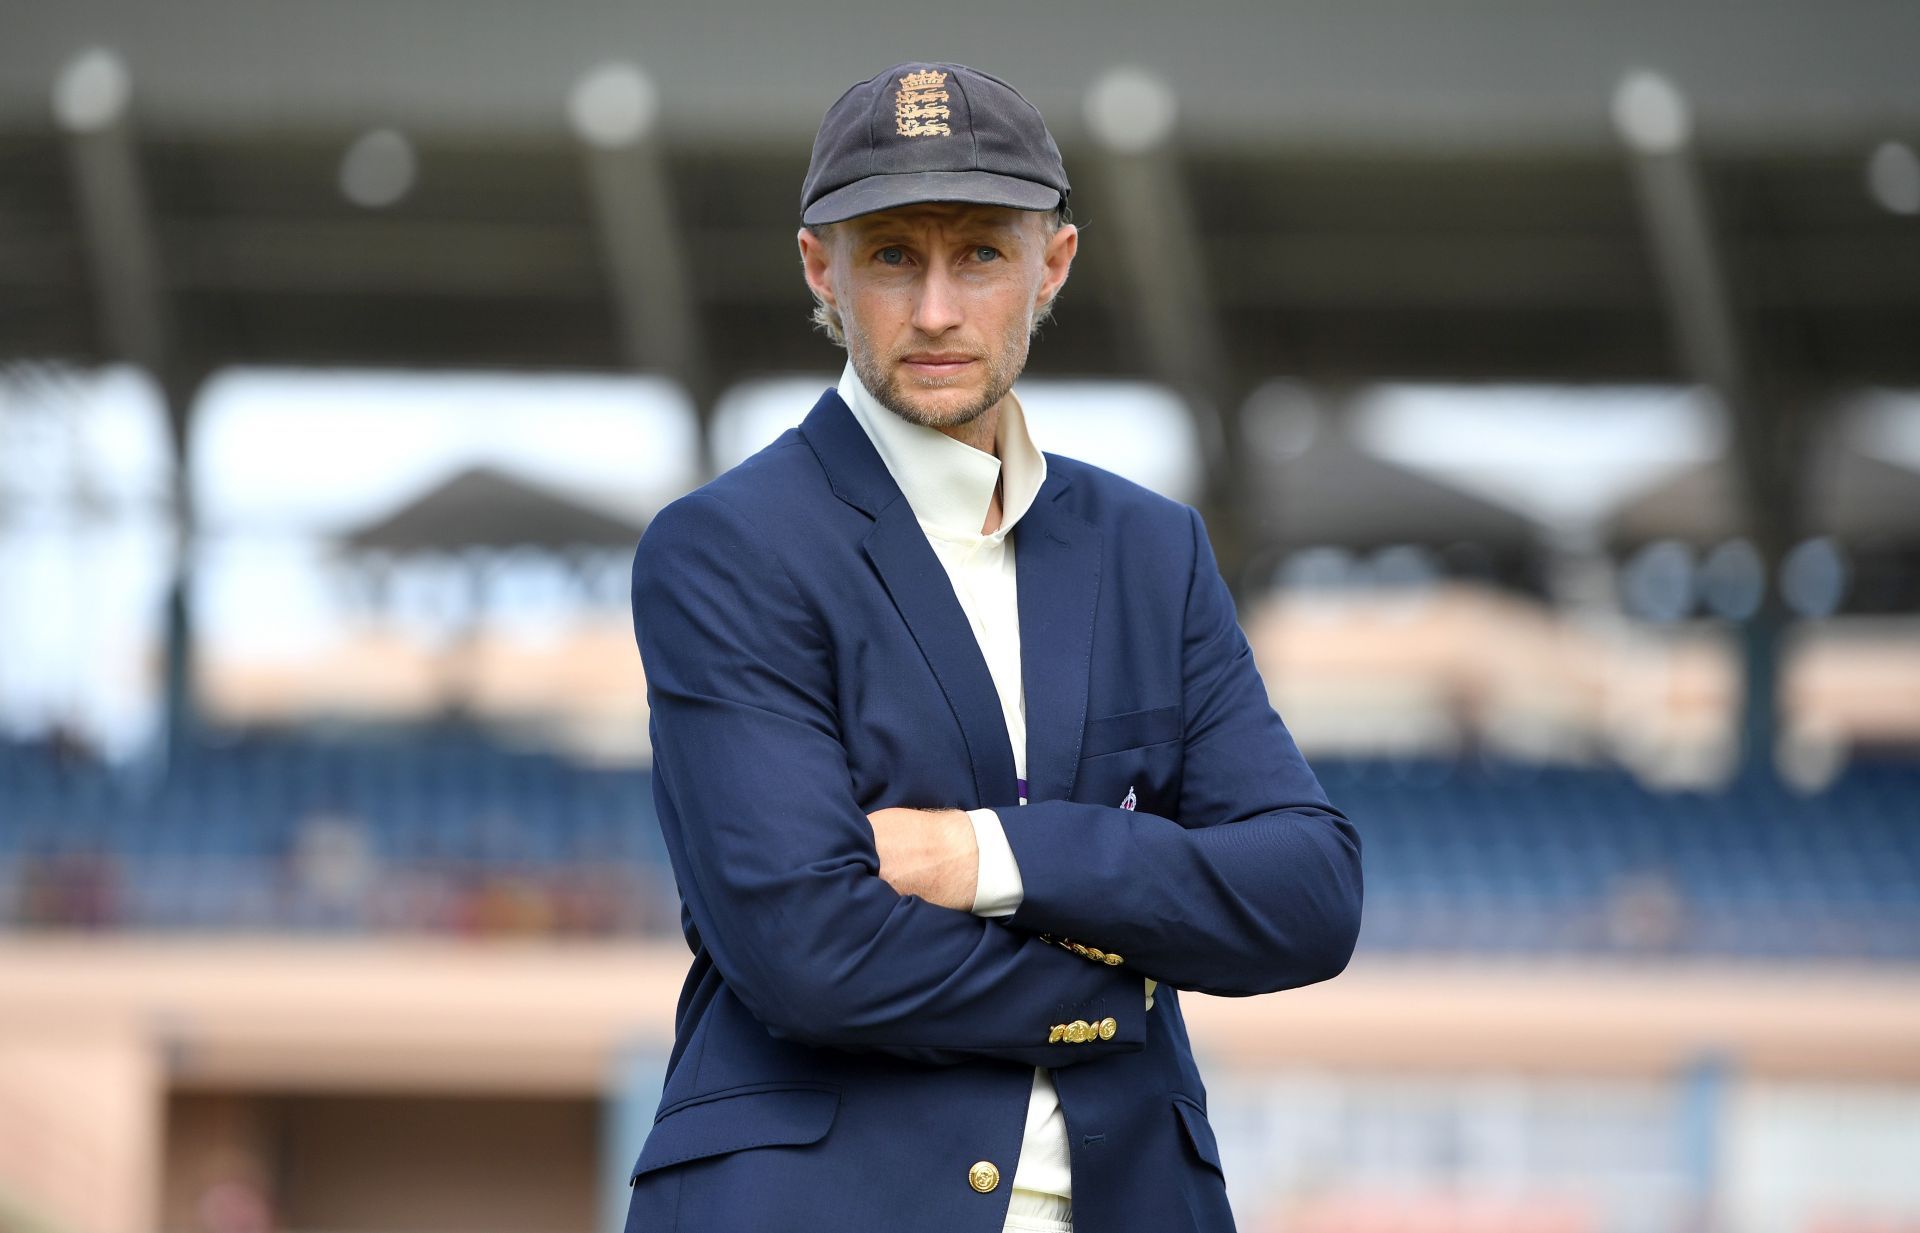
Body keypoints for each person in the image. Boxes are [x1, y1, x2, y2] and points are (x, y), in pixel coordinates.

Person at [623, 60, 1362, 1233]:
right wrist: (1119, 979)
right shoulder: (728, 549)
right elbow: (804, 948)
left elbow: (1310, 894)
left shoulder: (1151, 549)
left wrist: (985, 857)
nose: (934, 311)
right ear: (820, 265)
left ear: (1051, 265)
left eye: (979, 254)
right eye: (890, 257)